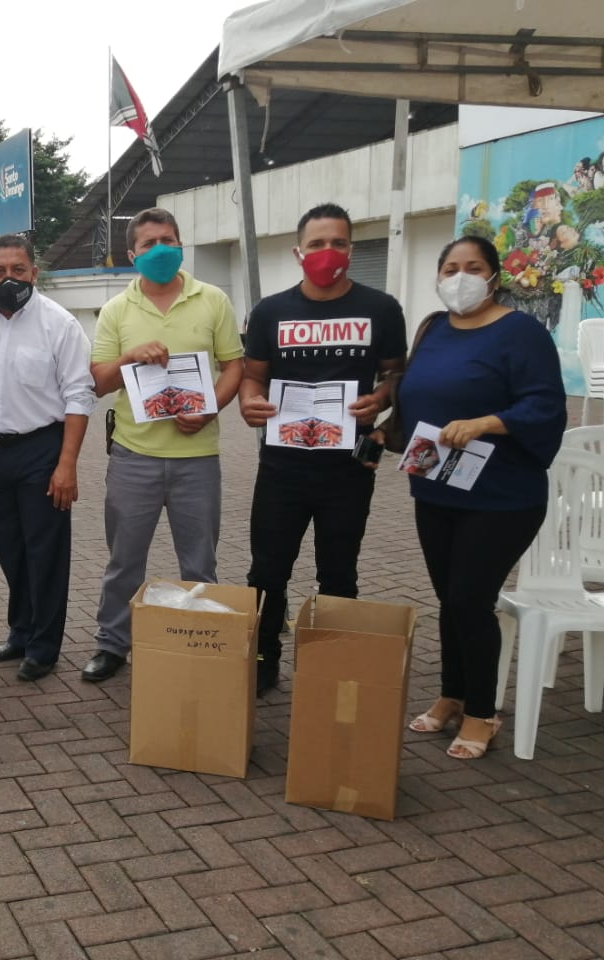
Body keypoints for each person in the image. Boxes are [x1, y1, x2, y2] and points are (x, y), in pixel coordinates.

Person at [398, 236, 566, 759]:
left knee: (471, 599)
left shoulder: (522, 332)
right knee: (450, 599)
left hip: (502, 496)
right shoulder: (433, 329)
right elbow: (413, 397)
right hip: (436, 485)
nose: (460, 277)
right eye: (450, 268)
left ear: (494, 277)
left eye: (473, 267)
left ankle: (482, 712)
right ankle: (452, 693)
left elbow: (545, 405)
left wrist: (485, 423)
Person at [238, 202, 407, 696]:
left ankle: (331, 668)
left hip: (347, 468)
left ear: (351, 250)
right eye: (316, 244)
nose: (327, 252)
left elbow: (397, 372)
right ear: (298, 252)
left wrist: (381, 398)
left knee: (339, 573)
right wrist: (249, 402)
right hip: (282, 466)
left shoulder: (381, 309)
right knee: (267, 571)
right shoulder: (271, 311)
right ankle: (264, 660)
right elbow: (253, 376)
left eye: (338, 243)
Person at [83, 208, 244, 682]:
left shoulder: (212, 299)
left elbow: (234, 366)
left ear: (180, 244)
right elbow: (98, 381)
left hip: (198, 458)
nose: (160, 250)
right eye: (149, 243)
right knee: (124, 561)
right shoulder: (117, 309)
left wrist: (210, 408)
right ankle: (112, 643)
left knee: (199, 562)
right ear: (132, 254)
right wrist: (130, 356)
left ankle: (200, 642)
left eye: (168, 240)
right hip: (134, 456)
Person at [0, 235, 94, 681]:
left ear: (34, 273)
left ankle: (43, 646)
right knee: (10, 548)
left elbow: (79, 395)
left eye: (18, 270)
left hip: (43, 450)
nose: (9, 279)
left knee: (45, 551)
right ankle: (20, 633)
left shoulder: (60, 324)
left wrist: (67, 465)